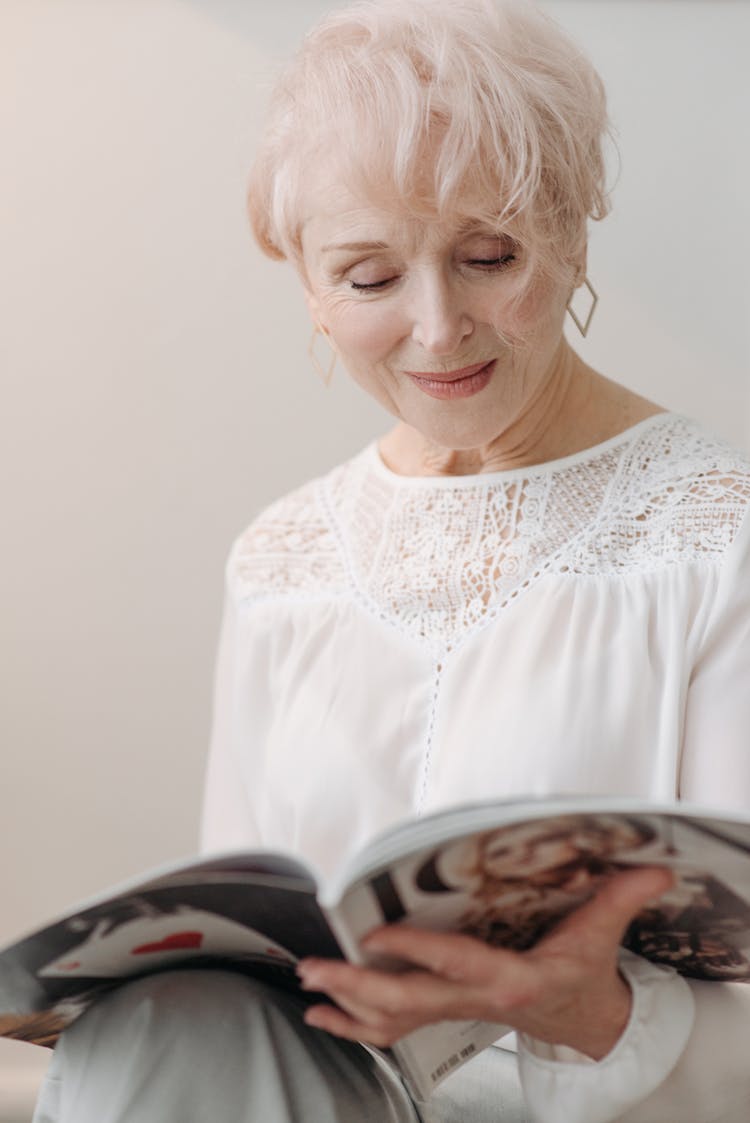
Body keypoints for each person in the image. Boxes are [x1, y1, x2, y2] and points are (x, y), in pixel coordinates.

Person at [32, 0, 750, 1120]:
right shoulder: (285, 561)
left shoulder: (715, 535)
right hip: (326, 1090)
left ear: (572, 230)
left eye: (487, 256)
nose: (436, 326)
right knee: (168, 1019)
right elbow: (241, 934)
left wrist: (598, 1013)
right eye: (370, 279)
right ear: (309, 288)